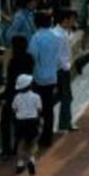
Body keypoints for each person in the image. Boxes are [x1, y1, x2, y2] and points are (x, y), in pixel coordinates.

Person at [26, 12, 61, 147]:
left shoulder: (36, 38)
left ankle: (35, 134)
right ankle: (48, 136)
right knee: (48, 108)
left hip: (38, 76)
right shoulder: (56, 37)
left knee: (36, 107)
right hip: (52, 76)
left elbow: (32, 56)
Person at [11, 74, 42, 175]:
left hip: (20, 122)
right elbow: (39, 109)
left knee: (21, 142)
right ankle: (31, 160)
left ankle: (20, 164)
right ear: (30, 85)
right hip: (33, 121)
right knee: (33, 142)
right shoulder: (36, 96)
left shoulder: (17, 97)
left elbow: (14, 109)